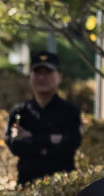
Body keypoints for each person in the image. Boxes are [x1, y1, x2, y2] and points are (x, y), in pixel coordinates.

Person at [9, 51, 86, 186]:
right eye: (37, 72)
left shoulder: (70, 111)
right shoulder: (19, 112)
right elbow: (15, 145)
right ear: (30, 76)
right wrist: (52, 139)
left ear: (60, 77)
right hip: (27, 185)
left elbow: (72, 143)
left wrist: (31, 138)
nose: (42, 77)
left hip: (62, 186)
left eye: (48, 72)